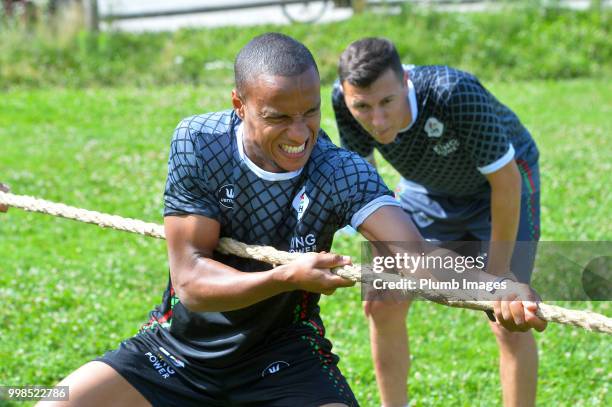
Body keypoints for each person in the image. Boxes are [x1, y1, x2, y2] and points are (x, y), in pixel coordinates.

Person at [39, 33, 544, 407]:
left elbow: (412, 253)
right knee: (46, 397)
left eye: (310, 113)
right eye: (279, 116)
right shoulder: (201, 143)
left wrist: (494, 285)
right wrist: (286, 276)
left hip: (284, 360)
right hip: (177, 351)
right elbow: (190, 280)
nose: (300, 133)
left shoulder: (337, 169)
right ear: (239, 105)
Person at [332, 37, 542, 407]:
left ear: (406, 81)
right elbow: (363, 185)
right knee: (382, 300)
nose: (377, 121)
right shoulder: (343, 102)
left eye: (387, 102)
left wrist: (497, 279)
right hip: (425, 189)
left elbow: (505, 183)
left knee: (509, 318)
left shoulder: (453, 92)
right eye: (362, 106)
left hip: (501, 185)